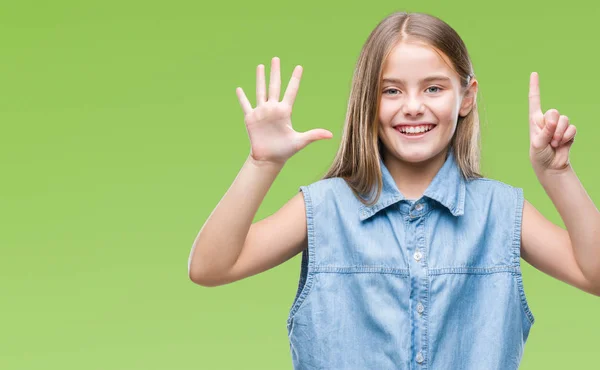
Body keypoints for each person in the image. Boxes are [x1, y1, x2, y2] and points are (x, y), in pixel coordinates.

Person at [188, 11, 600, 370]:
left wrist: (557, 175)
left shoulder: (501, 210)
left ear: (466, 97)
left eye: (433, 88)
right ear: (368, 100)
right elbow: (210, 267)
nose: (413, 106)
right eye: (392, 90)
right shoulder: (324, 206)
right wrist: (263, 163)